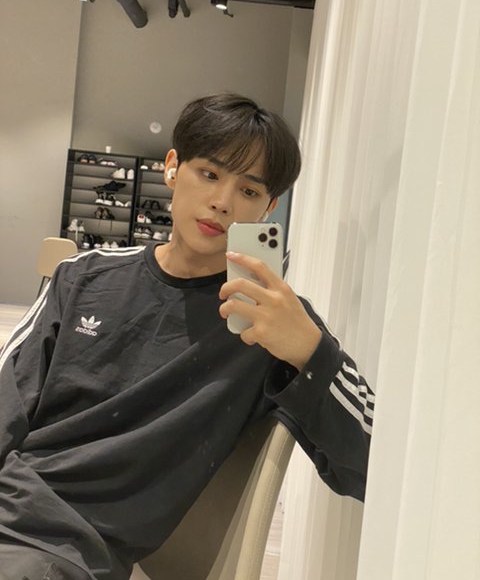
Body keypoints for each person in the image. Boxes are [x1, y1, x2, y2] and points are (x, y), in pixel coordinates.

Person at [0, 93, 374, 580]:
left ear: (269, 208)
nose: (222, 202)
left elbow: (375, 467)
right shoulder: (83, 277)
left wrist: (311, 352)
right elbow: (8, 396)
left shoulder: (269, 322)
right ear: (173, 167)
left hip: (63, 554)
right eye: (210, 174)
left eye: (249, 191)